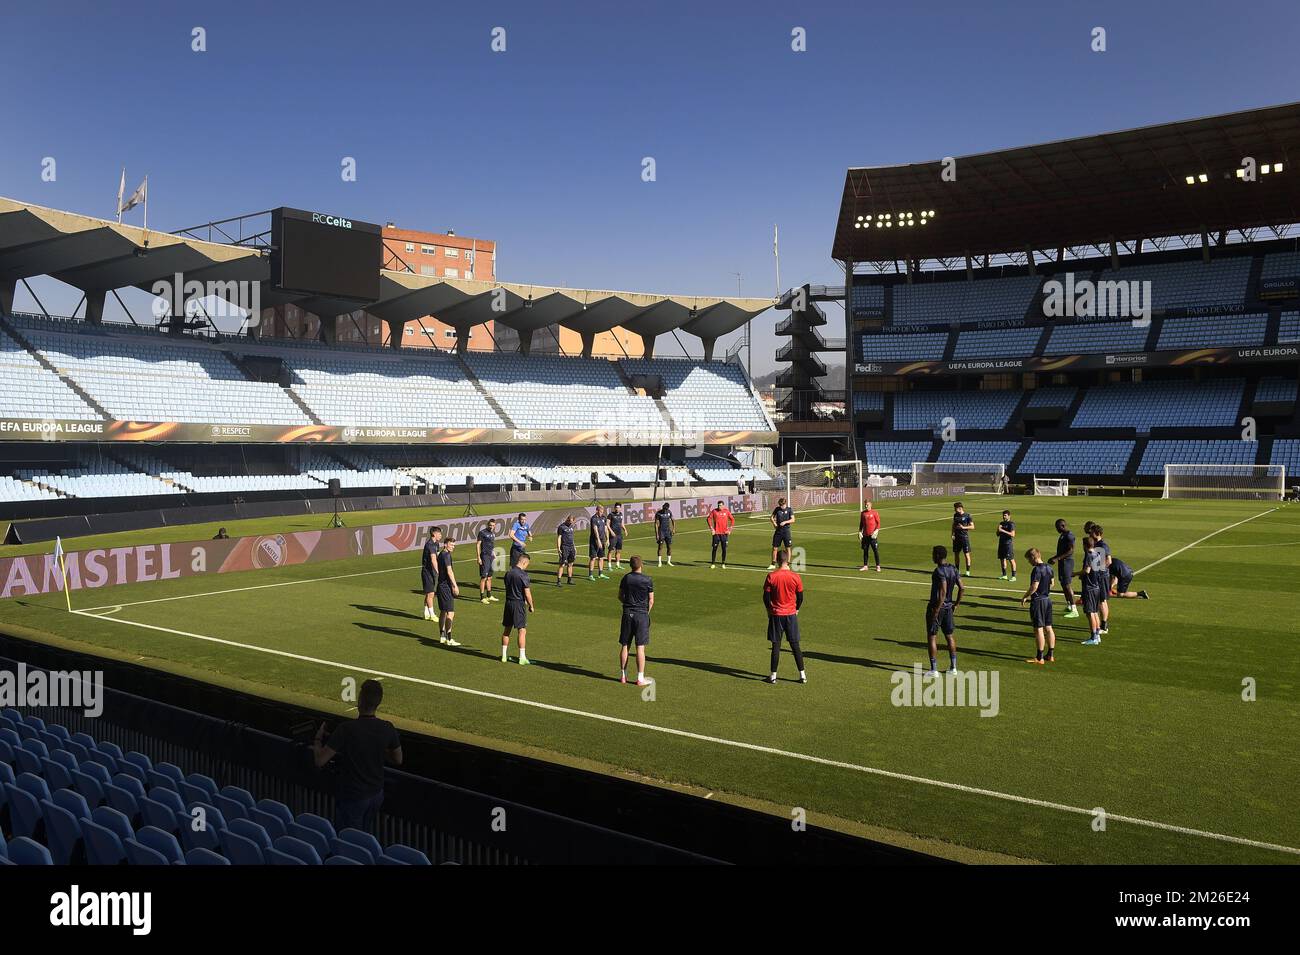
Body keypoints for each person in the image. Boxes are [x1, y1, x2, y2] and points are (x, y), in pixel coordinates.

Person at [310, 679, 402, 832]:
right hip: (376, 794)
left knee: (349, 838)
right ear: (378, 702)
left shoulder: (346, 729)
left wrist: (317, 739)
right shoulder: (387, 728)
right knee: (364, 835)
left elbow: (320, 760)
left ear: (359, 700)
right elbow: (398, 759)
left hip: (354, 795)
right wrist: (377, 749)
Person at [763, 551, 806, 685]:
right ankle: (802, 675)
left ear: (777, 560)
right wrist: (797, 608)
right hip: (790, 615)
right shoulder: (796, 576)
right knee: (795, 646)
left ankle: (773, 676)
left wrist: (769, 610)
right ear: (788, 560)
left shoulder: (771, 576)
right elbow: (800, 597)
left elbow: (766, 597)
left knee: (776, 645)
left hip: (776, 615)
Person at [925, 544, 964, 675]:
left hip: (937, 607)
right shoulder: (953, 568)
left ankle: (933, 669)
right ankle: (953, 668)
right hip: (948, 609)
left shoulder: (938, 571)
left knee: (932, 637)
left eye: (933, 554)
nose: (932, 557)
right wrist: (956, 604)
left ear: (937, 556)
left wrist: (936, 610)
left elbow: (943, 591)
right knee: (949, 636)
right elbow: (962, 588)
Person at [617, 555, 654, 686]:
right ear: (641, 565)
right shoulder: (647, 580)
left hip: (627, 614)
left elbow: (620, 596)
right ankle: (640, 678)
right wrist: (645, 613)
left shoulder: (626, 578)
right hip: (641, 615)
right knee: (640, 647)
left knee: (625, 645)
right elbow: (651, 600)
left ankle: (623, 675)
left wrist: (627, 604)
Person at [1019, 548, 1056, 664]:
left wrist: (1025, 596)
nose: (1029, 562)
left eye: (1029, 560)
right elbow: (1052, 583)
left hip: (1038, 601)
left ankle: (1039, 657)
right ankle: (1050, 655)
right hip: (1047, 600)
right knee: (1049, 628)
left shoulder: (1037, 570)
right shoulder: (1050, 568)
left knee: (1038, 629)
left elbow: (1034, 586)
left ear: (1033, 557)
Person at [501, 553, 535, 665]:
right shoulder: (523, 575)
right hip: (518, 604)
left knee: (507, 630)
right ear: (524, 562)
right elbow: (527, 593)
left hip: (508, 603)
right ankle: (522, 657)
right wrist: (531, 605)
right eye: (527, 564)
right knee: (522, 630)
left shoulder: (508, 573)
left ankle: (504, 656)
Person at [1047, 519, 1079, 618]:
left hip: (1067, 563)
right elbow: (1062, 551)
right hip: (1062, 562)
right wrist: (1054, 558)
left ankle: (1074, 609)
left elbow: (1070, 551)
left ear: (1062, 526)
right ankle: (1069, 605)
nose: (1056, 529)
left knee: (1067, 584)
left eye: (1057, 527)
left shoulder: (1069, 535)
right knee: (1063, 584)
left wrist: (1057, 558)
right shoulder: (1063, 535)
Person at [1080, 533, 1107, 646]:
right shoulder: (1097, 553)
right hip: (1096, 586)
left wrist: (1075, 573)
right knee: (1095, 612)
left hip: (1089, 587)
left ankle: (1094, 637)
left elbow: (1087, 570)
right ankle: (1097, 635)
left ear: (1085, 545)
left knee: (1090, 613)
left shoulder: (1089, 554)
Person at [435, 539, 461, 647]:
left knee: (443, 611)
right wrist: (455, 585)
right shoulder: (446, 556)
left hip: (440, 586)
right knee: (450, 613)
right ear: (445, 544)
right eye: (451, 545)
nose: (453, 547)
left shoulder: (441, 554)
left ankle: (442, 636)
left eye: (454, 545)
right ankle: (449, 638)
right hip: (446, 588)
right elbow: (449, 571)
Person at [420, 526, 444, 623]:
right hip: (428, 572)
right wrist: (439, 571)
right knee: (431, 594)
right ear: (434, 534)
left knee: (429, 593)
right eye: (439, 534)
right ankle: (432, 614)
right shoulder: (430, 545)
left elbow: (437, 557)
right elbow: (434, 560)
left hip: (432, 572)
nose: (441, 535)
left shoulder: (436, 544)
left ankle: (426, 613)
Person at [476, 519, 500, 604]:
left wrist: (494, 554)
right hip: (484, 556)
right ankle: (482, 597)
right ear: (487, 525)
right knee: (484, 577)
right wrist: (478, 557)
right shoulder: (482, 533)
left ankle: (489, 595)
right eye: (490, 525)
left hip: (491, 557)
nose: (492, 527)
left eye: (493, 525)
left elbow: (491, 545)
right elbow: (478, 544)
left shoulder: (493, 534)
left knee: (490, 577)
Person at [768, 497, 794, 570]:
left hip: (786, 532)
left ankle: (788, 564)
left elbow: (793, 519)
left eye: (782, 505)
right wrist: (774, 523)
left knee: (788, 548)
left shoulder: (789, 510)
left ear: (785, 504)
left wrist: (785, 522)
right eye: (780, 505)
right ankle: (773, 563)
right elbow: (771, 517)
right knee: (774, 548)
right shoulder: (777, 509)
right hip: (778, 532)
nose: (781, 506)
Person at [707, 499, 734, 569]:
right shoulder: (714, 511)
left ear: (723, 505)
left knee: (724, 549)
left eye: (721, 505)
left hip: (724, 534)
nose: (719, 507)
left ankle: (723, 563)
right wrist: (712, 528)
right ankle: (713, 563)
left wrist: (730, 529)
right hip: (716, 534)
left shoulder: (726, 511)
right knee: (714, 549)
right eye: (718, 505)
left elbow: (732, 519)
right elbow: (708, 519)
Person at [950, 502, 974, 577]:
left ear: (960, 508)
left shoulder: (967, 516)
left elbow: (972, 527)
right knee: (956, 554)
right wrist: (952, 534)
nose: (954, 510)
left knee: (966, 554)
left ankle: (967, 571)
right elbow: (953, 525)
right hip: (956, 538)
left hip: (964, 538)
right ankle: (957, 570)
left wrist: (964, 528)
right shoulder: (955, 515)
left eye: (955, 508)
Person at [588, 505, 611, 580]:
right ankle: (590, 575)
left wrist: (607, 539)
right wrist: (598, 540)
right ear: (597, 510)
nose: (601, 513)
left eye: (602, 511)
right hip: (594, 541)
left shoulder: (603, 517)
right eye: (600, 511)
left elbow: (605, 529)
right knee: (593, 558)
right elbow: (595, 530)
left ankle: (600, 574)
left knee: (601, 557)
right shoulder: (593, 518)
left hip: (602, 540)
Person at [858, 500, 882, 572]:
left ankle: (878, 566)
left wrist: (876, 530)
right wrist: (859, 531)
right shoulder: (863, 513)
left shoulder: (874, 512)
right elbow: (861, 523)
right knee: (865, 551)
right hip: (865, 536)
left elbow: (878, 523)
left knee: (875, 551)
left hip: (872, 536)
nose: (866, 506)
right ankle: (865, 566)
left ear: (871, 505)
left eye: (867, 505)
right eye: (865, 505)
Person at [555, 514, 578, 586]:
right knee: (562, 564)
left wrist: (574, 547)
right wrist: (558, 548)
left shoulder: (571, 526)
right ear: (567, 519)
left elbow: (572, 538)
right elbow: (559, 538)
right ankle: (558, 581)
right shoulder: (561, 527)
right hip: (564, 547)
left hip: (571, 547)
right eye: (570, 521)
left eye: (572, 522)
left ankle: (569, 579)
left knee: (570, 564)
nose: (571, 523)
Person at [996, 510, 1017, 581]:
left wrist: (1002, 530)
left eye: (1005, 515)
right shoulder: (1001, 523)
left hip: (1008, 544)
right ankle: (1004, 575)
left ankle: (1013, 576)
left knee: (1011, 559)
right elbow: (997, 534)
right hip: (1001, 543)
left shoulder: (1011, 524)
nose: (1004, 517)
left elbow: (1013, 534)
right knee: (1002, 559)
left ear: (1009, 516)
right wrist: (998, 530)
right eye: (1003, 515)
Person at [608, 503, 626, 570]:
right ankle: (609, 566)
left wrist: (625, 529)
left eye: (618, 507)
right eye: (616, 507)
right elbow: (607, 524)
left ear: (620, 508)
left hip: (619, 535)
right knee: (611, 550)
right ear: (614, 508)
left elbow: (621, 523)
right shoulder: (611, 515)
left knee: (618, 550)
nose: (617, 509)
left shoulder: (621, 514)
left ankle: (617, 564)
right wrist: (611, 531)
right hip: (613, 536)